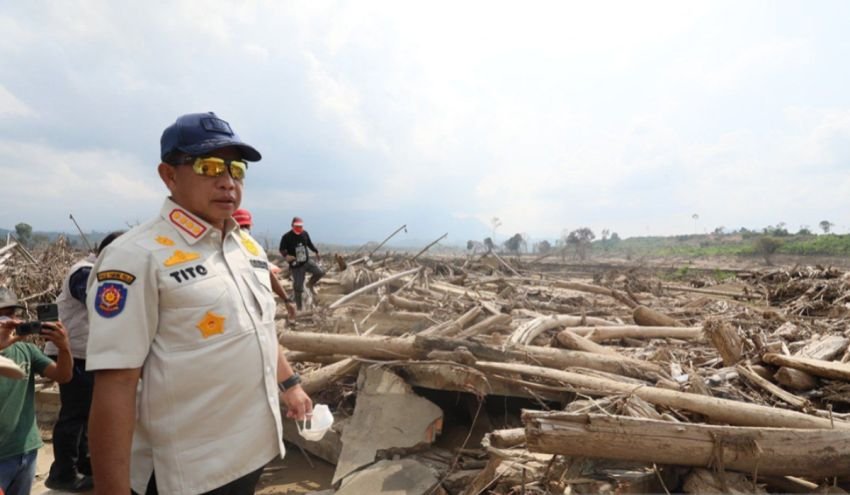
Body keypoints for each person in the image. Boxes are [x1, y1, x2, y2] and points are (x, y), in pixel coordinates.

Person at [86, 112, 312, 495]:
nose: (227, 182)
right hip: (188, 473)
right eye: (208, 166)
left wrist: (289, 384)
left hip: (251, 452)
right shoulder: (136, 256)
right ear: (169, 175)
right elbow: (116, 384)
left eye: (236, 169)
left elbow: (260, 328)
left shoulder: (245, 246)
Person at [43, 231, 123, 491]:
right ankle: (63, 472)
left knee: (88, 412)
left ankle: (84, 465)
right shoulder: (85, 272)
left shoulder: (99, 271)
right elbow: (99, 303)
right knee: (75, 414)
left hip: (86, 353)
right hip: (72, 352)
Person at [0, 287, 73, 495]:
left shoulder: (26, 351)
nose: (6, 321)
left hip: (26, 450)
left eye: (10, 314)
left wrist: (64, 348)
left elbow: (63, 376)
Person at [233, 209, 296, 320]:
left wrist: (286, 299)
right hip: (249, 312)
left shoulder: (253, 248)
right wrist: (286, 300)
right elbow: (269, 273)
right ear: (249, 226)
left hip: (254, 311)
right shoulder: (253, 247)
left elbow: (268, 273)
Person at [279, 217, 324, 310]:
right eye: (297, 226)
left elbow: (309, 244)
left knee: (319, 272)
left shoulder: (305, 234)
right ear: (292, 226)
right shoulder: (286, 237)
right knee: (298, 287)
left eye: (301, 226)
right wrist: (286, 256)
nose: (299, 228)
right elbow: (282, 249)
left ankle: (309, 284)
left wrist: (316, 251)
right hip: (296, 264)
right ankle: (299, 307)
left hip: (306, 260)